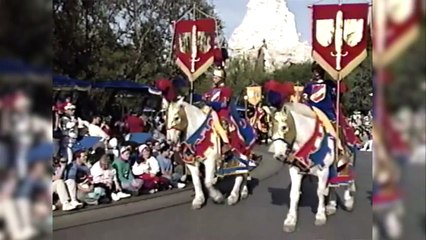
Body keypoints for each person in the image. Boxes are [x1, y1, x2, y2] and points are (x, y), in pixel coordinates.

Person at [202, 68, 261, 162]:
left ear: (222, 78)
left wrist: (210, 103)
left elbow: (223, 104)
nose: (214, 78)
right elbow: (203, 98)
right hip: (209, 113)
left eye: (216, 77)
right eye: (214, 76)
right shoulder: (211, 91)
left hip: (223, 114)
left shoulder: (226, 90)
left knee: (225, 127)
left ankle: (227, 147)